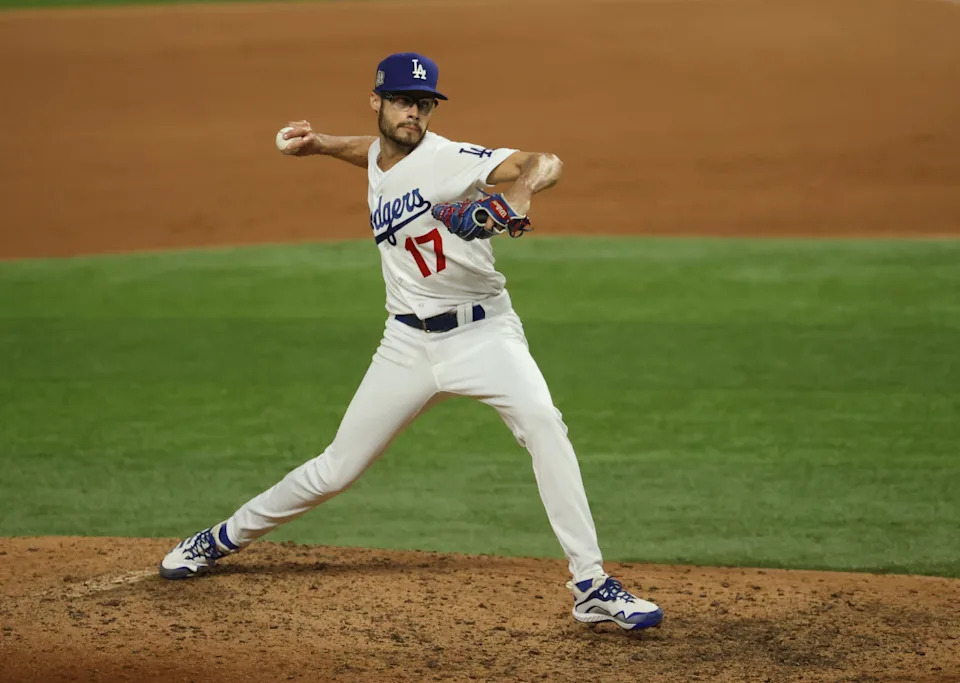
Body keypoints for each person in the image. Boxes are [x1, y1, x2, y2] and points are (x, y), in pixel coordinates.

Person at [158, 52, 663, 631]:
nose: (413, 113)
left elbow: (545, 160)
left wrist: (521, 191)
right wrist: (321, 143)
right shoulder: (380, 152)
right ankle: (218, 538)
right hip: (404, 347)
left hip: (483, 335)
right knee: (335, 469)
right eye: (402, 101)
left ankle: (591, 584)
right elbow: (374, 157)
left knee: (545, 425)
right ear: (377, 101)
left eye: (423, 104)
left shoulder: (451, 159)